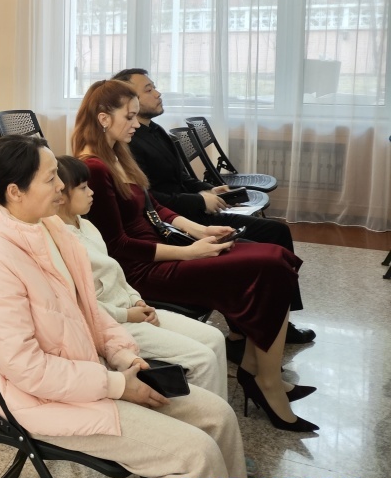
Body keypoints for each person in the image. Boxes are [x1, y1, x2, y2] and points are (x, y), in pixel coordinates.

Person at [0, 135, 252, 478]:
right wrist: (117, 385)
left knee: (219, 416)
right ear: (15, 192)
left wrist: (126, 357)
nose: (62, 186)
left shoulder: (47, 226)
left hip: (89, 374)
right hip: (38, 399)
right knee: (193, 456)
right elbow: (26, 369)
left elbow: (89, 311)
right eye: (51, 178)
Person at [73, 79, 316, 432]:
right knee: (270, 266)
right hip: (143, 269)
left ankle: (257, 370)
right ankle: (264, 381)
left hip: (165, 251)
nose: (136, 124)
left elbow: (155, 209)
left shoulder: (117, 155)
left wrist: (201, 232)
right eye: (129, 116)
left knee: (277, 257)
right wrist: (189, 253)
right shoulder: (94, 167)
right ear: (103, 118)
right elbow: (118, 246)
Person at [111, 68, 314, 350]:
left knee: (277, 232)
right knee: (262, 245)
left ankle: (278, 320)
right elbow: (150, 199)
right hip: (178, 221)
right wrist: (199, 202)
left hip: (190, 213)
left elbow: (181, 178)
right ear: (128, 100)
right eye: (148, 89)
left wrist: (207, 190)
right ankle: (254, 327)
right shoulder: (130, 143)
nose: (157, 93)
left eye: (154, 86)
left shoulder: (156, 130)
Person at [55, 154, 227, 400]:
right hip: (115, 322)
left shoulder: (87, 225)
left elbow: (117, 273)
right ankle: (203, 417)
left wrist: (137, 300)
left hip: (132, 309)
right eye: (83, 188)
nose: (91, 192)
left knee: (215, 338)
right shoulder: (60, 240)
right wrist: (128, 314)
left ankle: (215, 410)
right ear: (60, 195)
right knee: (203, 359)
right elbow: (83, 304)